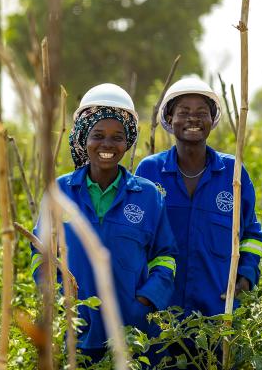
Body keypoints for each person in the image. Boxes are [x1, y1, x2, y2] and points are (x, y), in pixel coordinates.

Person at [31, 83, 177, 363]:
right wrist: (60, 299)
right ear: (83, 137)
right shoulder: (60, 192)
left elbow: (165, 256)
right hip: (75, 330)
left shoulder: (147, 195)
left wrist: (146, 300)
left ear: (127, 141)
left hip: (133, 333)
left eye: (117, 137)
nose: (107, 144)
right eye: (98, 135)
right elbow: (41, 253)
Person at [135, 76, 262, 318]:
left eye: (201, 112)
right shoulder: (149, 171)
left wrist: (246, 276)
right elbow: (135, 236)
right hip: (160, 316)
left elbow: (251, 234)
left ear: (212, 120)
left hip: (218, 313)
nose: (193, 118)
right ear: (169, 119)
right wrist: (144, 296)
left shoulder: (233, 173)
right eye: (183, 112)